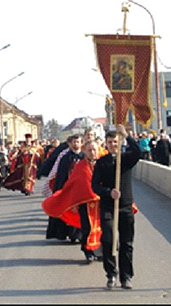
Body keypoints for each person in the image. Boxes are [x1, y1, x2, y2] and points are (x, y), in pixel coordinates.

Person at [92, 124, 141, 290]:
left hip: (125, 206)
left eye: (116, 141)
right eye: (110, 142)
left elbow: (138, 152)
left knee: (127, 243)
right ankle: (111, 274)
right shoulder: (101, 162)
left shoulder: (126, 159)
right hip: (108, 206)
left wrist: (126, 135)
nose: (113, 144)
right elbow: (94, 186)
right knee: (108, 240)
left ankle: (126, 276)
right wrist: (108, 192)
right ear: (106, 143)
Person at [42, 140, 103, 263]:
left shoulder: (103, 164)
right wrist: (73, 202)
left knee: (101, 227)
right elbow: (74, 185)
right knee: (87, 228)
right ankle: (88, 251)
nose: (92, 152)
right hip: (85, 202)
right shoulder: (80, 166)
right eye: (89, 150)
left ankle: (99, 250)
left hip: (101, 202)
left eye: (94, 150)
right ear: (85, 151)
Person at [47, 134, 84, 242]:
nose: (75, 144)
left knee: (81, 213)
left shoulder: (84, 157)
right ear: (70, 143)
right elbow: (61, 175)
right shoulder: (65, 158)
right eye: (74, 142)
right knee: (69, 212)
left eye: (78, 142)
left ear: (81, 143)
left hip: (81, 189)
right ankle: (70, 234)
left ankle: (80, 234)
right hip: (69, 189)